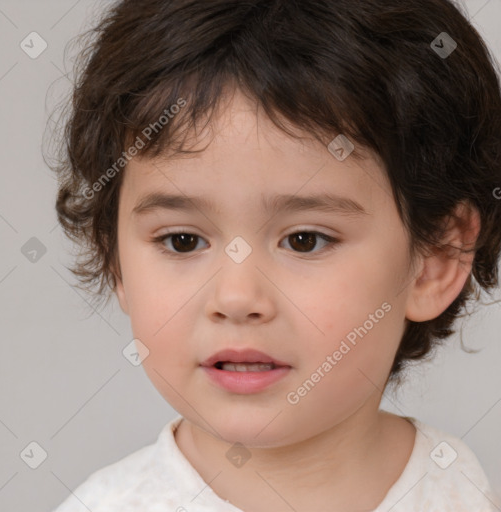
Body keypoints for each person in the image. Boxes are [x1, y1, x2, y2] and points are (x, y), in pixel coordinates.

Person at [49, 0, 501, 510]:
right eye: (182, 240)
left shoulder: (461, 489)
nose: (237, 297)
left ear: (436, 258)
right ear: (116, 259)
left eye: (305, 239)